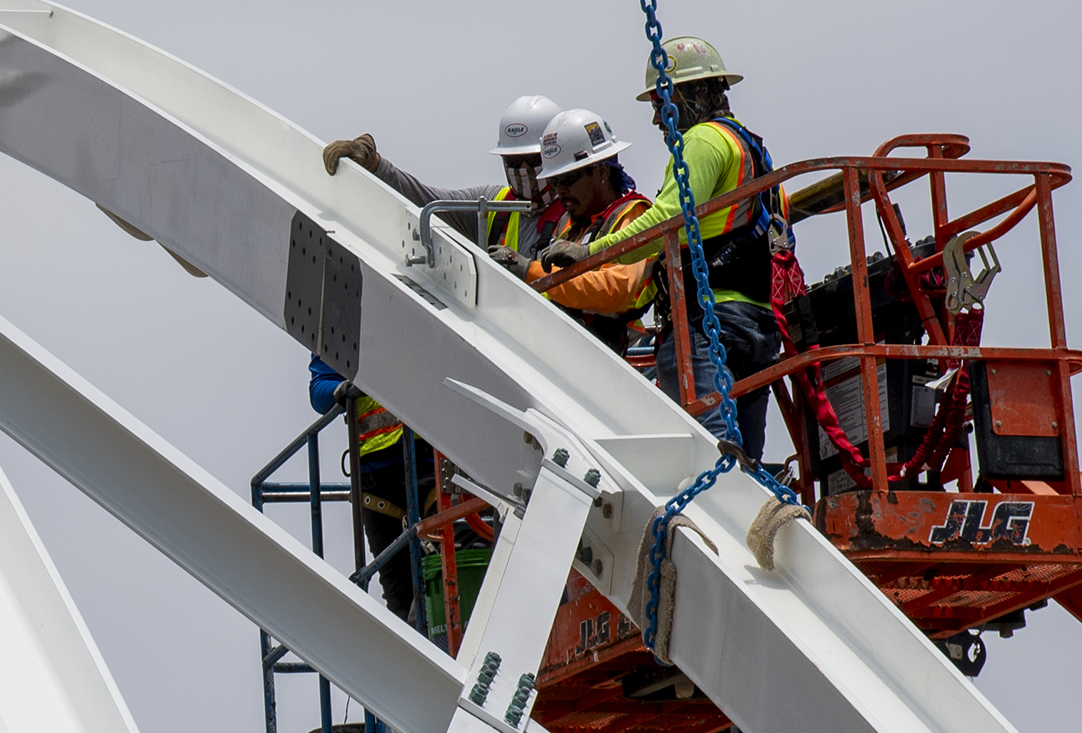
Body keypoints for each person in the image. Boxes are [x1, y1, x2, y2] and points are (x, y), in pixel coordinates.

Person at [543, 39, 784, 462]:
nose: (657, 118)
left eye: (661, 102)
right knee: (746, 459)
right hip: (756, 322)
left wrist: (590, 254)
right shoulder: (751, 147)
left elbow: (668, 220)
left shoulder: (703, 141)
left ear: (691, 95)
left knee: (711, 452)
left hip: (708, 321)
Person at [321, 94, 566, 261]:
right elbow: (425, 199)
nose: (522, 170)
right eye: (513, 162)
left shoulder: (575, 217)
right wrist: (375, 164)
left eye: (532, 161)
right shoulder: (493, 205)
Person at [491, 108, 656, 355]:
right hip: (564, 346)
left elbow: (616, 289)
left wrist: (530, 271)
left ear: (601, 172)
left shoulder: (631, 215)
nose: (560, 191)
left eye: (568, 180)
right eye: (555, 182)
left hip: (602, 353)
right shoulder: (574, 224)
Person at [307, 356, 436, 621]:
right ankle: (417, 653)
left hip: (430, 464)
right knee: (400, 599)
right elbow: (320, 391)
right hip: (376, 482)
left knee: (454, 566)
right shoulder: (341, 321)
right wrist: (340, 391)